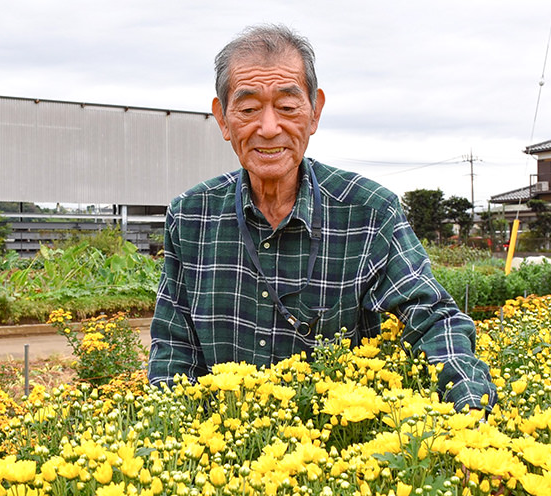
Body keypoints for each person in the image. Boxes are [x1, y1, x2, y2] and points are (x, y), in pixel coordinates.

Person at [148, 24, 497, 412]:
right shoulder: (191, 216)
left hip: (336, 452)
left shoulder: (369, 212)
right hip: (225, 451)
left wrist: (470, 411)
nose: (268, 128)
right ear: (223, 119)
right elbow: (173, 350)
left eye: (287, 106)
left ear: (314, 112)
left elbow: (433, 320)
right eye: (248, 109)